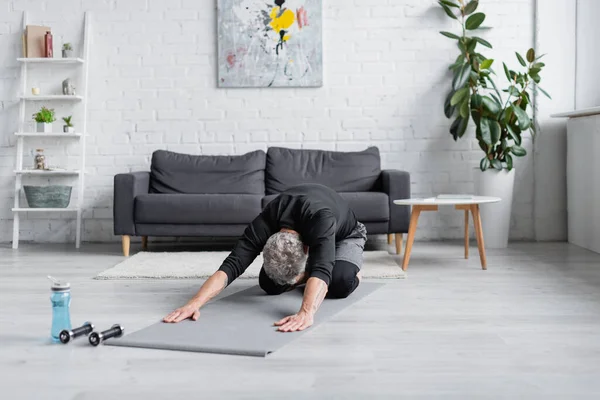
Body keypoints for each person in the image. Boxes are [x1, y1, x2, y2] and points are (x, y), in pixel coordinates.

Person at [163, 183, 367, 333]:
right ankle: (303, 276)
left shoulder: (321, 220)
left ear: (306, 250)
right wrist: (194, 303)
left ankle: (347, 268)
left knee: (339, 281)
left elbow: (322, 269)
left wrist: (306, 312)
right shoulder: (265, 222)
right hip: (312, 237)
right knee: (270, 284)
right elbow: (232, 264)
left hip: (345, 235)